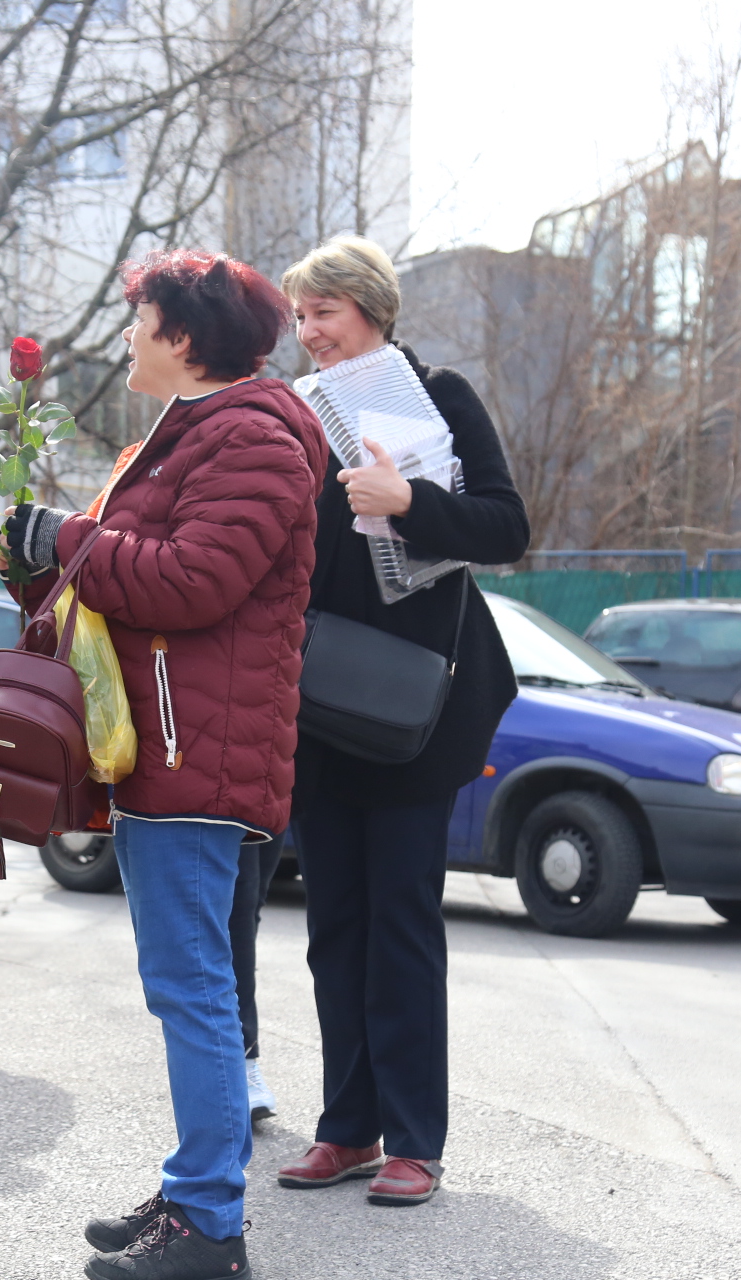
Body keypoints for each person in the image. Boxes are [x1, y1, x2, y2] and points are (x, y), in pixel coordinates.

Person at [0, 249, 327, 1280]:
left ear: (183, 337)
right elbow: (124, 584)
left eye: (138, 321)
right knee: (186, 986)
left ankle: (210, 1225)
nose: (126, 338)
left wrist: (74, 536)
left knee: (195, 991)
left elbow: (190, 581)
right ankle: (194, 1189)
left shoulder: (254, 439)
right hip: (174, 750)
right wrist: (44, 558)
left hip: (201, 757)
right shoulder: (193, 434)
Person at [274, 235, 529, 1208]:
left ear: (369, 306)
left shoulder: (441, 397)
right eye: (300, 317)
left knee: (404, 925)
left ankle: (416, 1138)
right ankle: (348, 1127)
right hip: (321, 704)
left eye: (323, 312)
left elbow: (507, 527)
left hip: (419, 709)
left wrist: (409, 500)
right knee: (333, 922)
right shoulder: (301, 416)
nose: (310, 333)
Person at [229, 837, 285, 1121]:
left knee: (250, 906)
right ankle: (241, 1059)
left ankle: (233, 1054)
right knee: (239, 903)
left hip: (281, 793)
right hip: (227, 794)